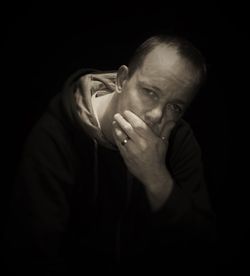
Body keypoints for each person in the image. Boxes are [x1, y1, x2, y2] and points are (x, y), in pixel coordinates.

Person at [4, 35, 216, 275]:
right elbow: (32, 252)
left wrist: (156, 178)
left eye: (175, 107)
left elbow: (202, 247)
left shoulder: (180, 139)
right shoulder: (56, 135)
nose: (157, 115)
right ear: (122, 80)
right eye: (150, 92)